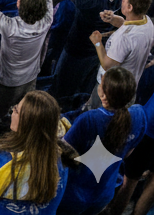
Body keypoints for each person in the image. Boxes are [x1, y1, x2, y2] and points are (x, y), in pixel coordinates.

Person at [62, 66, 145, 215]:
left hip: (74, 194)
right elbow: (127, 153)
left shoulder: (89, 119)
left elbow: (63, 154)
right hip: (103, 194)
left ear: (104, 96)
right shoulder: (139, 116)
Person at [89, 0, 154, 107]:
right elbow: (130, 26)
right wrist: (113, 19)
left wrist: (97, 43)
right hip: (129, 89)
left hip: (110, 91)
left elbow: (108, 65)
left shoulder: (123, 38)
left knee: (100, 120)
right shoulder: (147, 22)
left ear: (130, 7)